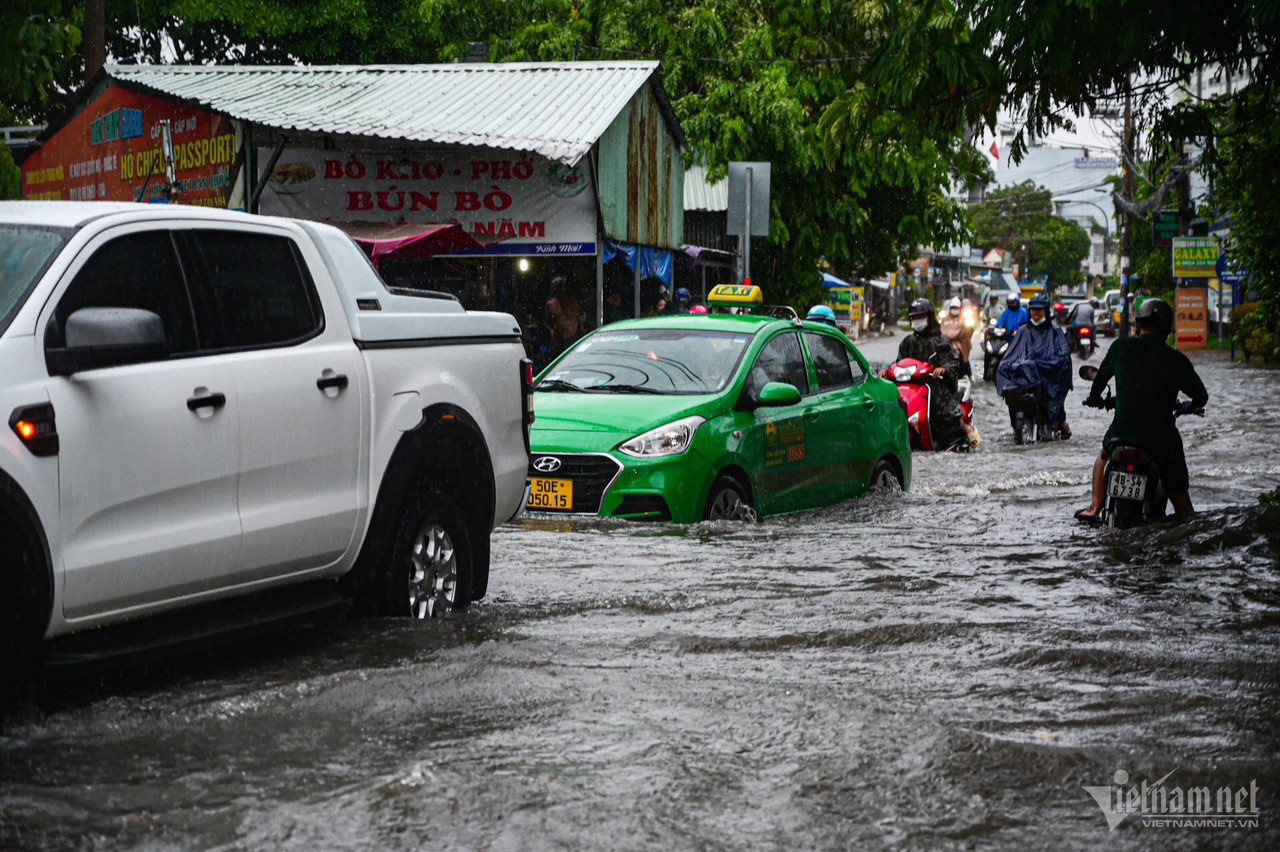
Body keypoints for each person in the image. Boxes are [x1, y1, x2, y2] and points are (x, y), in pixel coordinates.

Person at [1074, 299, 1209, 522]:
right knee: (1183, 506)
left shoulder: (1120, 348)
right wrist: (1189, 406)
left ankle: (1095, 508)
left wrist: (1095, 399)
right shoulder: (1176, 359)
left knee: (1103, 457)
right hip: (1161, 439)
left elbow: (1099, 380)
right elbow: (1201, 397)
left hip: (1121, 434)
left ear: (1138, 324)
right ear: (1168, 328)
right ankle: (1184, 515)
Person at [898, 298, 980, 449]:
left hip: (937, 386)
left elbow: (953, 362)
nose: (917, 321)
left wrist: (944, 369)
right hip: (914, 387)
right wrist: (886, 372)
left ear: (929, 317)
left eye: (920, 317)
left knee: (946, 412)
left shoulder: (941, 340)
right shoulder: (908, 342)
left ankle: (965, 428)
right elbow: (899, 362)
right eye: (914, 318)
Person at [995, 293, 1073, 438]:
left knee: (1055, 394)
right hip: (1027, 381)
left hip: (1048, 379)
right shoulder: (1023, 331)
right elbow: (1011, 354)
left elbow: (1064, 356)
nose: (1036, 313)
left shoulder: (1055, 332)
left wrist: (1053, 364)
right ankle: (1015, 427)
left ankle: (1062, 423)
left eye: (1039, 310)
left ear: (1045, 311)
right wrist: (1009, 365)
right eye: (1033, 310)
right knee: (1013, 395)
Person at [544, 275, 581, 357]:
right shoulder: (551, 304)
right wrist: (551, 331)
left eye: (562, 286)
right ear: (554, 289)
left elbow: (578, 317)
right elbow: (546, 321)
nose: (561, 289)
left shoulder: (572, 301)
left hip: (572, 338)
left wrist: (581, 332)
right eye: (558, 287)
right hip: (558, 340)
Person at [939, 296, 975, 374]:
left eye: (956, 308)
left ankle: (968, 373)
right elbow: (942, 329)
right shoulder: (945, 319)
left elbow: (969, 331)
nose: (954, 309)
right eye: (953, 308)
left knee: (965, 360)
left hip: (960, 343)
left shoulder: (964, 318)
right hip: (948, 342)